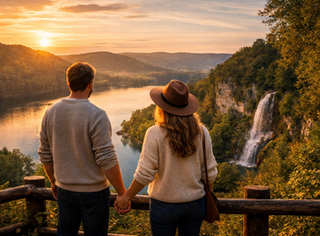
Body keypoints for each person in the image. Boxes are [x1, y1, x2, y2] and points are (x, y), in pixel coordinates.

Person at [114, 79, 218, 236]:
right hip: (195, 205)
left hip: (164, 205)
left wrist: (126, 197)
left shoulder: (155, 133)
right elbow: (209, 173)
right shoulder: (202, 132)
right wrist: (206, 197)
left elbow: (145, 174)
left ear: (162, 108)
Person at [38, 62, 130, 236]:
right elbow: (107, 159)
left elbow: (45, 154)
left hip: (64, 191)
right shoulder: (97, 114)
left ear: (68, 83)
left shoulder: (50, 112)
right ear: (90, 84)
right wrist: (122, 193)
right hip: (94, 194)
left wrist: (53, 180)